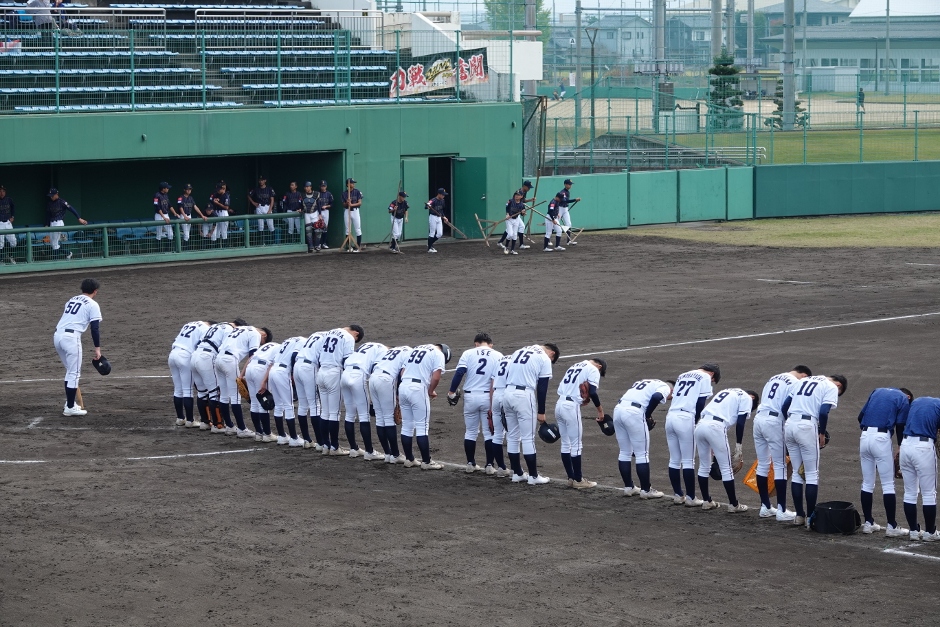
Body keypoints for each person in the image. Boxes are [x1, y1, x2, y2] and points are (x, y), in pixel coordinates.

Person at [784, 373, 848, 528]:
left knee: (797, 474)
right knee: (812, 474)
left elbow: (784, 406)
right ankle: (810, 518)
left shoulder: (803, 381)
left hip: (790, 424)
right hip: (806, 426)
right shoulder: (831, 386)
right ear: (839, 385)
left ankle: (799, 515)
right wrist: (822, 433)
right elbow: (824, 411)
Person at [752, 366, 812, 521]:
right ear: (804, 375)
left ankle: (765, 507)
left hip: (758, 420)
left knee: (763, 464)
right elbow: (788, 405)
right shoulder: (795, 382)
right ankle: (781, 510)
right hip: (774, 421)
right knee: (780, 465)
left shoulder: (772, 378)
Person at [858, 387, 914, 537]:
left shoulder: (876, 391)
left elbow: (860, 416)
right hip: (881, 439)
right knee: (888, 484)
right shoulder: (903, 399)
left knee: (867, 483)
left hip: (864, 437)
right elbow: (901, 424)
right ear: (908, 397)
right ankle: (891, 526)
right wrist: (901, 446)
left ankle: (868, 523)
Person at [694, 388, 759, 513]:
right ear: (752, 398)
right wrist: (739, 445)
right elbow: (740, 423)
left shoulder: (728, 392)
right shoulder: (746, 397)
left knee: (704, 466)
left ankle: (707, 501)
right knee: (726, 469)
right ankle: (734, 505)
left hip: (700, 425)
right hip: (716, 426)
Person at [503, 342, 560, 485]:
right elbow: (542, 387)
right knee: (528, 438)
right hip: (524, 396)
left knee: (512, 436)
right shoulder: (544, 358)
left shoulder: (519, 351)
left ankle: (517, 473)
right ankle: (533, 476)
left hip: (507, 393)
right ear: (552, 353)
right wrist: (541, 412)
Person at [448, 333, 504, 474]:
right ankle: (489, 465)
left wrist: (451, 392)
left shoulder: (468, 353)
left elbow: (459, 373)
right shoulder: (498, 355)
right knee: (489, 432)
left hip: (470, 397)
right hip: (488, 397)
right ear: (490, 344)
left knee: (471, 432)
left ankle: (470, 464)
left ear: (476, 343)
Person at [665, 364, 720, 506]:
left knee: (674, 460)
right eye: (713, 380)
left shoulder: (682, 375)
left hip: (670, 417)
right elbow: (701, 402)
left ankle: (678, 495)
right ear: (712, 374)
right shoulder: (705, 377)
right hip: (686, 418)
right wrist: (696, 421)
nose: (711, 382)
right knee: (688, 461)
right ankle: (690, 498)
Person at [613, 378, 674, 499]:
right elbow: (657, 397)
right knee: (642, 454)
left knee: (624, 452)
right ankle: (646, 490)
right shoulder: (665, 387)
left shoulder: (646, 382)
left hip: (618, 410)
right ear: (672, 390)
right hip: (634, 412)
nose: (669, 398)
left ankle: (628, 487)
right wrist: (647, 415)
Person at [554, 357, 607, 489]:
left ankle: (571, 478)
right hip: (570, 408)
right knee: (576, 444)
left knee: (565, 443)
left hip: (559, 405)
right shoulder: (593, 369)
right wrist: (600, 411)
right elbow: (593, 392)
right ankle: (579, 480)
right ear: (599, 367)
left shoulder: (574, 366)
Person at [398, 343, 451, 469]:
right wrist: (430, 390)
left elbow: (402, 373)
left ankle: (409, 459)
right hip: (417, 388)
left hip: (403, 386)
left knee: (407, 425)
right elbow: (436, 377)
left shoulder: (415, 349)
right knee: (422, 426)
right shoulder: (438, 353)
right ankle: (427, 462)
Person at [53, 278, 102, 416]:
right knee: (74, 373)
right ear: (95, 291)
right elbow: (95, 328)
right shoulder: (93, 304)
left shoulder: (72, 300)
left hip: (57, 336)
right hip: (71, 339)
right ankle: (70, 407)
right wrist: (97, 348)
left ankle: (70, 403)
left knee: (70, 371)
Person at [314, 325, 365, 455]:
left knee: (324, 412)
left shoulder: (328, 332)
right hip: (334, 373)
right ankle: (335, 447)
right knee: (334, 413)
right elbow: (347, 359)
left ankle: (326, 445)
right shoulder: (348, 337)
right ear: (356, 333)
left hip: (321, 372)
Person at [215, 325, 272, 438]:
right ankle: (241, 429)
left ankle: (229, 426)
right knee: (235, 396)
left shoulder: (241, 329)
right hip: (229, 360)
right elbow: (253, 356)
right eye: (262, 342)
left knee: (224, 396)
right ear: (264, 335)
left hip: (218, 359)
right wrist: (245, 375)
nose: (260, 344)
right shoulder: (256, 334)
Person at [190, 319, 245, 433]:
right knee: (215, 392)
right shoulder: (229, 330)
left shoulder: (214, 327)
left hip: (195, 356)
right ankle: (218, 425)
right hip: (207, 357)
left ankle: (205, 422)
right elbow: (224, 348)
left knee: (202, 392)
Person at [899, 396, 940, 541]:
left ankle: (913, 531)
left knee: (910, 492)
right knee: (929, 493)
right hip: (923, 448)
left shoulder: (916, 402)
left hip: (905, 445)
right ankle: (930, 532)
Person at [341, 340, 388, 459]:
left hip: (345, 374)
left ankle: (353, 449)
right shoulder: (383, 350)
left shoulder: (366, 345)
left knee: (349, 414)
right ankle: (369, 452)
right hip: (358, 375)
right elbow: (374, 370)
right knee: (364, 416)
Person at [369, 344, 412, 463]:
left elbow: (373, 367)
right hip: (386, 379)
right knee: (388, 419)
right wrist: (398, 393)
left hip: (373, 378)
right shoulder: (410, 352)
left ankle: (388, 454)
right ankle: (396, 455)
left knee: (380, 418)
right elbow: (402, 374)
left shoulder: (391, 351)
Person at [168, 320, 212, 427]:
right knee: (187, 390)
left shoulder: (188, 324)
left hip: (173, 354)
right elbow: (199, 346)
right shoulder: (206, 329)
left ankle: (180, 418)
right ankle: (190, 421)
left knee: (178, 389)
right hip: (185, 356)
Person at [267, 335, 306, 446]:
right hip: (283, 372)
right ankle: (294, 438)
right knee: (289, 406)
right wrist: (293, 373)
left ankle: (281, 436)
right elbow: (294, 355)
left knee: (279, 405)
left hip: (273, 371)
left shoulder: (287, 340)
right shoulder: (303, 341)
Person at [293, 329, 327, 448]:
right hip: (309, 367)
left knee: (303, 405)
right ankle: (320, 443)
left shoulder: (315, 334)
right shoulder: (328, 338)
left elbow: (294, 355)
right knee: (315, 405)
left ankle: (307, 440)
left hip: (297, 366)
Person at [243, 339, 280, 442]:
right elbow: (272, 364)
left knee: (254, 403)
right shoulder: (280, 348)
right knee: (263, 402)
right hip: (261, 369)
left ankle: (259, 433)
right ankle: (267, 434)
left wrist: (241, 375)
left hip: (249, 369)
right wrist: (264, 381)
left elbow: (250, 358)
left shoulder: (266, 346)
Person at [488, 353, 512, 477]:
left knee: (497, 434)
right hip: (508, 395)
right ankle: (516, 470)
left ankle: (501, 468)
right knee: (512, 434)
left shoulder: (499, 360)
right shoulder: (517, 361)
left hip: (496, 395)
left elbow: (492, 385)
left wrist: (491, 405)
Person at [46, 188, 86, 260]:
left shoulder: (62, 202)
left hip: (58, 222)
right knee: (52, 243)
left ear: (56, 194)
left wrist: (79, 218)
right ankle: (68, 253)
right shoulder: (50, 203)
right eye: (50, 196)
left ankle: (55, 260)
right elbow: (48, 214)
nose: (51, 197)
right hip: (52, 223)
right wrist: (47, 224)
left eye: (52, 195)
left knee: (55, 243)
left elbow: (71, 209)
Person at [497, 180, 533, 251]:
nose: (529, 189)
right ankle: (509, 244)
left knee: (517, 228)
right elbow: (512, 203)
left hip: (517, 213)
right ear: (525, 186)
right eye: (528, 187)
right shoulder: (519, 192)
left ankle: (502, 242)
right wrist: (508, 214)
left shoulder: (524, 192)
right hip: (512, 213)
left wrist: (530, 201)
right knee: (513, 230)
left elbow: (523, 201)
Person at [248, 175, 276, 242]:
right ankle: (262, 243)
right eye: (260, 180)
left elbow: (272, 199)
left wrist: (270, 209)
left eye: (262, 180)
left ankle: (273, 242)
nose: (261, 181)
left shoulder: (269, 189)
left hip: (267, 206)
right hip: (259, 207)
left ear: (265, 180)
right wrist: (253, 203)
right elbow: (248, 195)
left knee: (271, 225)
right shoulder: (256, 189)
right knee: (260, 226)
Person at [341, 177, 363, 253]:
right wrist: (347, 203)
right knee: (348, 230)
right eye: (352, 183)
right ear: (348, 184)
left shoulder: (357, 192)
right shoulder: (344, 193)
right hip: (347, 211)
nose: (353, 184)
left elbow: (360, 203)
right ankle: (349, 247)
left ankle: (358, 247)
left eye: (353, 183)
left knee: (358, 229)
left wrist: (352, 204)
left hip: (355, 211)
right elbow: (343, 205)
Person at [557, 178, 581, 246]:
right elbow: (565, 200)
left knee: (569, 224)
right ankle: (548, 240)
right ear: (565, 184)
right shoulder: (562, 192)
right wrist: (574, 199)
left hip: (565, 209)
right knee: (555, 223)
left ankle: (569, 241)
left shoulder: (567, 192)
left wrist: (575, 200)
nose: (570, 186)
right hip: (560, 208)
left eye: (570, 184)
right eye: (569, 184)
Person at [502, 191, 526, 256]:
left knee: (515, 235)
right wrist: (507, 214)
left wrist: (523, 213)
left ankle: (512, 250)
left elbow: (522, 213)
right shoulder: (510, 201)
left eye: (518, 195)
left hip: (516, 219)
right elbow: (507, 208)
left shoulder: (522, 205)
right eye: (516, 194)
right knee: (510, 234)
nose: (516, 196)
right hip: (509, 219)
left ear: (521, 196)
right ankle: (506, 247)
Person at [299, 181, 320, 253]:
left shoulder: (316, 194)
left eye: (307, 187)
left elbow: (319, 204)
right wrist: (300, 209)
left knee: (318, 230)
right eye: (305, 187)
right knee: (308, 230)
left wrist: (320, 214)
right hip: (307, 213)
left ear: (311, 187)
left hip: (315, 213)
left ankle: (317, 245)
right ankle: (311, 246)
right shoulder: (302, 195)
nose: (306, 188)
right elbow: (300, 205)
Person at [425, 188, 447, 253]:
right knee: (432, 233)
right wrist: (428, 206)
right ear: (439, 194)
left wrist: (444, 217)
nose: (443, 196)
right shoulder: (433, 200)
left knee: (440, 234)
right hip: (433, 217)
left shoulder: (442, 201)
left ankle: (430, 243)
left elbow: (441, 210)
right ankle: (429, 248)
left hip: (439, 217)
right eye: (442, 195)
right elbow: (426, 206)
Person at [0, 185, 16, 264]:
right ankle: (1, 260)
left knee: (13, 242)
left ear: (5, 192)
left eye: (3, 191)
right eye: (0, 191)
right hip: (0, 223)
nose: (1, 193)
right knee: (0, 243)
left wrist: (12, 216)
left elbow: (13, 208)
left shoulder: (9, 200)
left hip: (8, 223)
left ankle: (10, 256)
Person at [316, 181, 333, 248]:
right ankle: (319, 243)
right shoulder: (317, 193)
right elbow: (316, 204)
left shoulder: (329, 194)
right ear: (320, 186)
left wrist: (326, 206)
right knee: (318, 227)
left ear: (326, 186)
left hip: (326, 211)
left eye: (324, 186)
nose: (323, 187)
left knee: (325, 227)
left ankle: (324, 243)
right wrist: (319, 213)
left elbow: (332, 204)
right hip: (318, 211)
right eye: (322, 186)